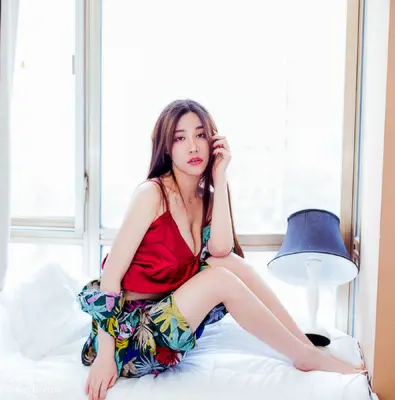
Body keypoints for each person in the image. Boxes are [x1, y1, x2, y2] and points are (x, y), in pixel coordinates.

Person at [77, 99, 365, 400]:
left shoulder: (206, 198)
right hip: (128, 338)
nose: (193, 146)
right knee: (220, 278)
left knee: (228, 264)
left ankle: (303, 346)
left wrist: (220, 175)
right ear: (167, 148)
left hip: (165, 315)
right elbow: (110, 278)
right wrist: (105, 357)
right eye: (180, 138)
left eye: (200, 135)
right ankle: (304, 356)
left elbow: (221, 249)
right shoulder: (152, 194)